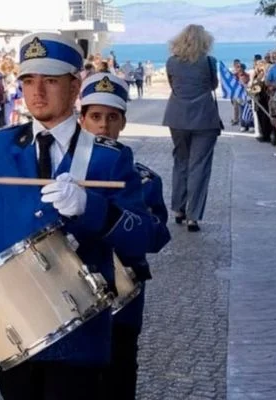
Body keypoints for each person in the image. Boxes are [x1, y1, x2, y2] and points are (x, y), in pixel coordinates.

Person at [0, 33, 153, 400]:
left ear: (74, 86)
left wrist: (90, 207)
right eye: (28, 80)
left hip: (80, 336)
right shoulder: (2, 145)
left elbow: (141, 236)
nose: (37, 91)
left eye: (50, 80)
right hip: (15, 328)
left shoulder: (108, 157)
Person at [76, 73, 171, 400]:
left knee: (119, 373)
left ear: (123, 122)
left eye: (112, 117)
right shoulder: (64, 174)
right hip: (74, 295)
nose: (103, 125)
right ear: (82, 120)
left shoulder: (144, 180)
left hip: (122, 299)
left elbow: (157, 236)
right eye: (95, 116)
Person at [163, 24, 224, 232]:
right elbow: (213, 85)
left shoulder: (171, 62)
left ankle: (178, 208)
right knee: (200, 165)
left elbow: (173, 85)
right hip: (204, 117)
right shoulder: (209, 62)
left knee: (180, 161)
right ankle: (193, 216)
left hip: (177, 115)